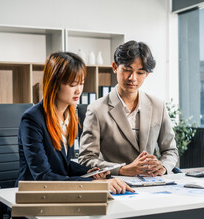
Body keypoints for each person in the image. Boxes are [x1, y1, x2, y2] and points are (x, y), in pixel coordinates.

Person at [15, 52, 133, 194]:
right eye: (72, 84)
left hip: (58, 192)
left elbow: (62, 166)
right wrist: (95, 183)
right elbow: (43, 176)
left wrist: (89, 172)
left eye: (81, 83)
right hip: (33, 196)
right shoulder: (32, 120)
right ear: (54, 84)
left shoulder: (70, 116)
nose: (79, 90)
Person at [78, 41, 178, 176]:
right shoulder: (96, 109)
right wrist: (122, 169)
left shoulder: (158, 105)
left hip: (153, 183)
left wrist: (164, 167)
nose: (133, 78)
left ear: (147, 74)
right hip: (118, 184)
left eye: (140, 72)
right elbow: (86, 159)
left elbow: (170, 150)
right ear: (115, 67)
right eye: (127, 70)